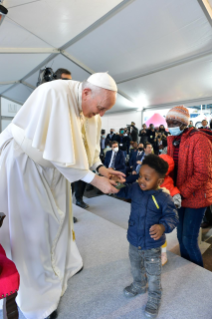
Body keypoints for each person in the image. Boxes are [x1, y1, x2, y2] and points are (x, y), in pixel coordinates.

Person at [0, 72, 125, 319]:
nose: (100, 115)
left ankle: (62, 266)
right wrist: (93, 179)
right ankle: (37, 300)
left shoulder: (92, 108)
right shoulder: (53, 93)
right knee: (34, 229)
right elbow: (51, 148)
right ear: (86, 93)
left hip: (56, 172)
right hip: (24, 167)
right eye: (100, 109)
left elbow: (85, 147)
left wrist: (100, 168)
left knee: (59, 221)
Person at [116, 154, 178, 318]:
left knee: (153, 274)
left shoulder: (164, 198)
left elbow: (173, 217)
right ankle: (138, 284)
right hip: (134, 240)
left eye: (147, 178)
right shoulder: (136, 188)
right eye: (140, 176)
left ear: (159, 181)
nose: (141, 180)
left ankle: (154, 297)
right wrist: (116, 183)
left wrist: (162, 226)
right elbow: (122, 191)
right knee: (135, 267)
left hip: (152, 245)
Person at [166, 105, 212, 267]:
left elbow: (202, 173)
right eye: (168, 122)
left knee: (189, 240)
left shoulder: (199, 139)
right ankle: (187, 270)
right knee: (180, 237)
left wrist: (181, 192)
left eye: (173, 122)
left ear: (183, 122)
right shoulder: (174, 140)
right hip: (179, 196)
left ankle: (198, 275)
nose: (169, 126)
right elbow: (173, 167)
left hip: (196, 197)